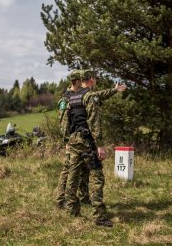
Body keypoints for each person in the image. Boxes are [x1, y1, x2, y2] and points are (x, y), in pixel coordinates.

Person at [64, 69, 127, 227]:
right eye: (95, 78)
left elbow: (67, 121)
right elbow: (94, 122)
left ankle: (72, 210)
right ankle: (99, 216)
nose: (97, 81)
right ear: (91, 79)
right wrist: (100, 145)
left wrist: (114, 89)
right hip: (87, 142)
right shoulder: (89, 97)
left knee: (73, 175)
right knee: (97, 178)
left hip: (74, 141)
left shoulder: (72, 96)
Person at [56, 70, 90, 209]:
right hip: (71, 140)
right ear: (76, 81)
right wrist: (66, 142)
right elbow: (64, 123)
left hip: (76, 138)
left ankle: (80, 196)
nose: (83, 83)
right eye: (81, 80)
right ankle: (61, 200)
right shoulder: (65, 100)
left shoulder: (75, 96)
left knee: (78, 169)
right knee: (68, 170)